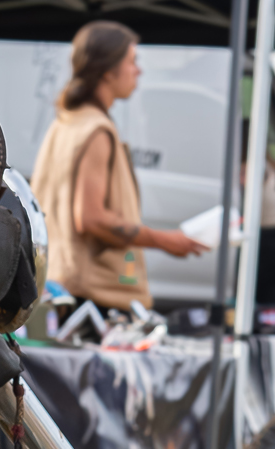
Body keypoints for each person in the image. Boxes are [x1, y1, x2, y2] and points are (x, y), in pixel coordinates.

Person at [32, 21, 206, 314]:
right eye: (132, 61)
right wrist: (166, 240)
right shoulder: (96, 129)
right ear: (108, 69)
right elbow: (91, 218)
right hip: (92, 296)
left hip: (60, 284)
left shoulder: (65, 122)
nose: (138, 70)